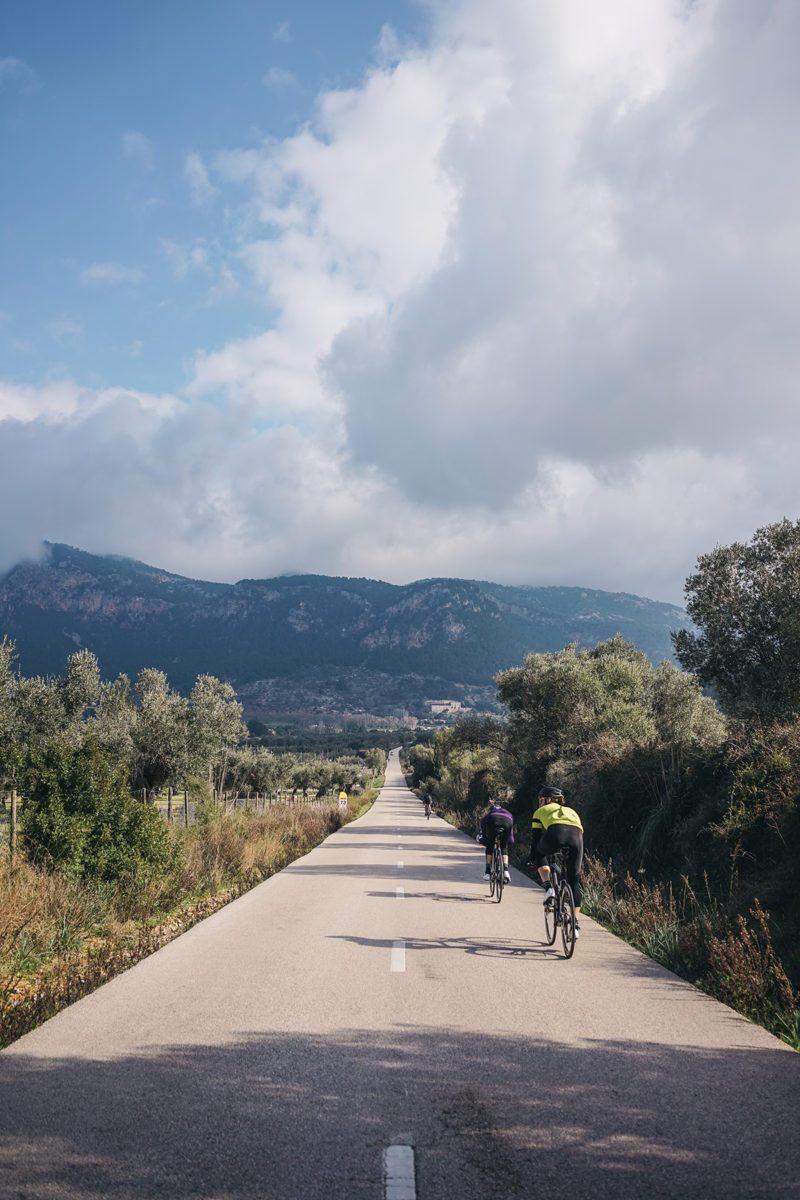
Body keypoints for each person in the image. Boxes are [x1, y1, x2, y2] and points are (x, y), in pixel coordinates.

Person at [528, 786, 584, 938]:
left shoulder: (539, 812)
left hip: (555, 833)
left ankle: (548, 888)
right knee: (574, 881)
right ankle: (575, 926)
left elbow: (536, 839)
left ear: (547, 799)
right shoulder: (572, 811)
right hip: (576, 837)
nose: (540, 803)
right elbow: (577, 830)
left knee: (539, 853)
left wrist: (532, 858)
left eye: (541, 800)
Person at [477, 799, 514, 883]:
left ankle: (487, 872)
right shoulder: (508, 813)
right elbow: (511, 834)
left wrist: (484, 841)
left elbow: (483, 832)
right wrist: (510, 842)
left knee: (490, 846)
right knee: (504, 848)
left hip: (493, 820)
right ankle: (506, 871)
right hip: (507, 821)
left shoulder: (490, 814)